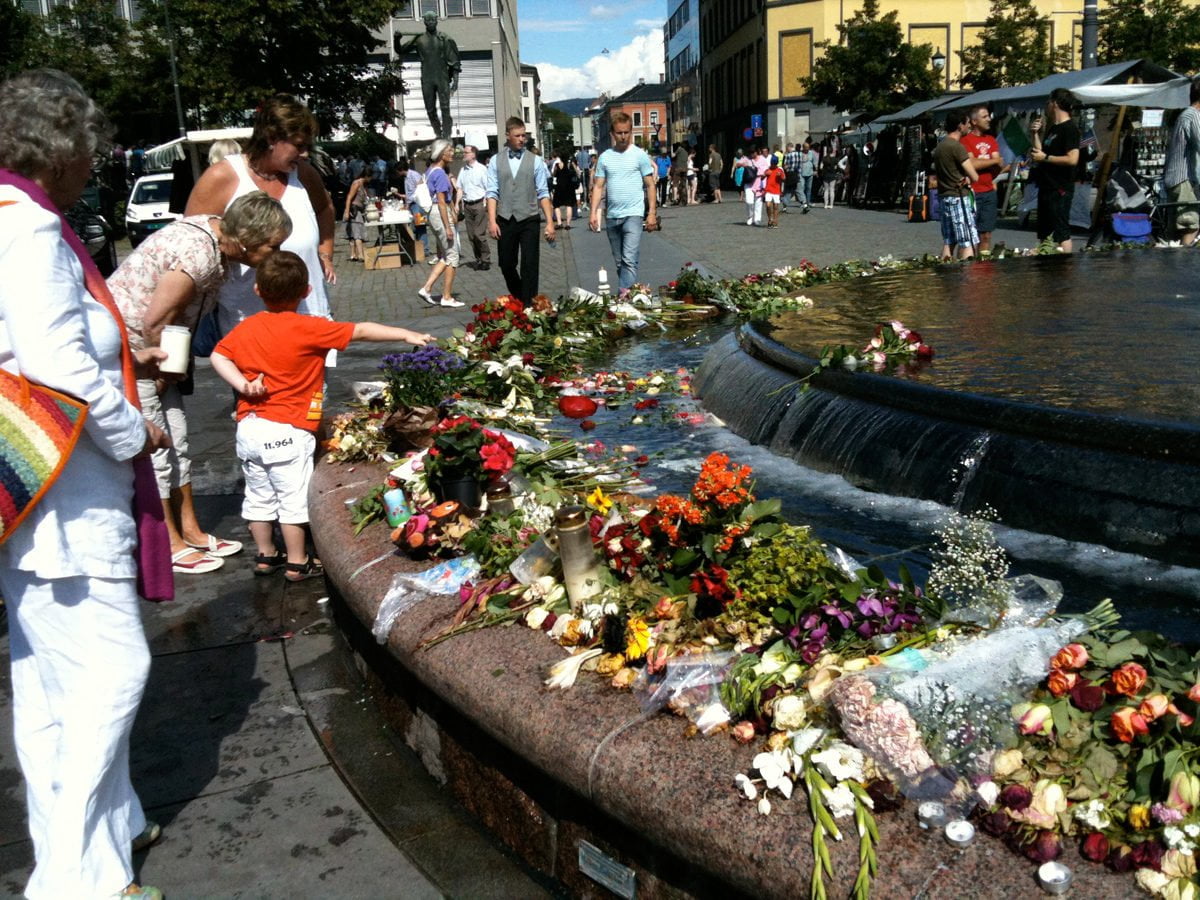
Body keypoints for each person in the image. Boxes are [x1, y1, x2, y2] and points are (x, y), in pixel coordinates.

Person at [0, 68, 171, 900]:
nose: (96, 164)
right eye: (91, 148)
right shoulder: (30, 228)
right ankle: (73, 882)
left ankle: (100, 841)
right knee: (113, 671)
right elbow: (57, 362)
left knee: (50, 683)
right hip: (64, 491)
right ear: (62, 150)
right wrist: (131, 428)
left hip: (27, 495)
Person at [211, 252, 433, 580]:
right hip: (288, 429)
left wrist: (243, 384)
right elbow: (360, 331)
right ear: (306, 291)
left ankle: (265, 555)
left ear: (257, 290)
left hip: (249, 428)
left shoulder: (248, 327)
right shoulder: (310, 328)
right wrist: (404, 333)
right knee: (293, 500)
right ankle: (298, 562)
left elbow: (219, 356)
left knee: (258, 496)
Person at [110, 190, 291, 574]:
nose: (273, 255)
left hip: (158, 350)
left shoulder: (214, 239)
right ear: (246, 240)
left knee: (178, 439)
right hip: (133, 349)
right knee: (156, 445)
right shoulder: (199, 256)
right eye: (271, 246)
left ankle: (189, 529)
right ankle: (166, 542)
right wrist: (161, 372)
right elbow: (154, 320)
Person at [185, 94, 336, 335]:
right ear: (271, 138)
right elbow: (191, 240)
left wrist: (325, 252)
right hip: (249, 322)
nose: (305, 153)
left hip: (308, 316)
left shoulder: (304, 174)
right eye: (299, 145)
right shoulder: (223, 177)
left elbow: (325, 208)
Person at [486, 116, 555, 305]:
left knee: (530, 265)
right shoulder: (495, 161)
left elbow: (543, 193)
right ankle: (521, 297)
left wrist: (549, 221)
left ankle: (529, 306)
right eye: (517, 135)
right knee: (506, 264)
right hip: (506, 218)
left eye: (523, 135)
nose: (521, 139)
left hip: (529, 218)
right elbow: (492, 192)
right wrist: (492, 221)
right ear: (508, 135)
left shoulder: (535, 161)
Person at [589, 111, 657, 295]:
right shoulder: (605, 157)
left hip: (634, 214)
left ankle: (624, 297)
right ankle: (629, 292)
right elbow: (598, 186)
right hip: (612, 215)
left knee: (629, 259)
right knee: (619, 261)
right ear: (612, 133)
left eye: (626, 132)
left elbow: (650, 185)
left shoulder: (639, 155)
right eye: (619, 133)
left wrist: (651, 213)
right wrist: (593, 212)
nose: (623, 136)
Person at [1029, 87, 1081, 253]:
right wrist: (1035, 134)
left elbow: (1073, 158)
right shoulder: (1053, 128)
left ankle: (1065, 269)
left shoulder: (1070, 128)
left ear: (1055, 104)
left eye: (1048, 102)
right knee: (1045, 231)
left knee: (1060, 232)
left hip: (1060, 187)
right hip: (1046, 185)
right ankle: (1047, 265)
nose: (1046, 105)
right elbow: (1041, 153)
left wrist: (1045, 158)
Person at [394, 12, 461, 139]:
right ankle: (438, 134)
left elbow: (455, 63)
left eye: (433, 19)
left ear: (436, 21)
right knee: (430, 109)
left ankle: (447, 135)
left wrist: (455, 83)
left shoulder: (444, 39)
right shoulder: (419, 39)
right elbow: (401, 50)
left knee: (445, 108)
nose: (430, 22)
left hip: (442, 78)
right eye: (428, 20)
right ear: (424, 22)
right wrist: (396, 39)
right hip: (427, 78)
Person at [417, 139, 463, 308]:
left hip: (433, 214)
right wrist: (447, 226)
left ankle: (427, 288)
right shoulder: (440, 174)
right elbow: (442, 201)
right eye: (449, 150)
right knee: (453, 256)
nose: (452, 153)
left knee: (445, 255)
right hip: (439, 213)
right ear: (441, 153)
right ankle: (447, 296)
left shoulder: (429, 171)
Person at [932, 110, 980, 259]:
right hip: (959, 197)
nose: (969, 127)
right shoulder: (957, 147)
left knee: (949, 241)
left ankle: (945, 275)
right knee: (967, 241)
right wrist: (968, 178)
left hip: (944, 197)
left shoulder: (940, 147)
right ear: (960, 126)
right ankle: (966, 278)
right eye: (967, 123)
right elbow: (974, 175)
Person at [961, 104, 1006, 252]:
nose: (989, 119)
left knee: (986, 234)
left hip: (988, 192)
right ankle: (970, 267)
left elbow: (999, 164)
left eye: (989, 116)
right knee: (970, 235)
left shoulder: (991, 140)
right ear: (974, 121)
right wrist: (993, 162)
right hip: (972, 193)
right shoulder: (965, 141)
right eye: (984, 117)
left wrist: (990, 163)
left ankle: (983, 266)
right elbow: (972, 164)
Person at [1163, 76, 1200, 247]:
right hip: (1183, 178)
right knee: (1189, 225)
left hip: (1176, 178)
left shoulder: (1184, 114)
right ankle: (1184, 268)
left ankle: (1174, 269)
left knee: (1176, 232)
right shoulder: (1192, 115)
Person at [457, 144, 491, 269]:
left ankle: (486, 259)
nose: (464, 154)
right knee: (471, 236)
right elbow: (460, 188)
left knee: (479, 234)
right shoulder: (463, 170)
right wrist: (457, 204)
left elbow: (488, 187)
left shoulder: (481, 169)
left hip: (479, 204)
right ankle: (479, 259)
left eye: (466, 152)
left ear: (473, 154)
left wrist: (486, 204)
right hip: (467, 205)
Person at [342, 166, 370, 262]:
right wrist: (347, 211)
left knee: (352, 234)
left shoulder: (363, 185)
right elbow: (349, 197)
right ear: (366, 176)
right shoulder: (357, 183)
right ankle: (361, 255)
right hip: (353, 210)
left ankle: (353, 255)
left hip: (358, 210)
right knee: (357, 234)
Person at [551, 149, 578, 229]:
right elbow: (576, 172)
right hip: (569, 187)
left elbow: (553, 174)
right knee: (569, 205)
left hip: (559, 186)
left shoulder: (557, 165)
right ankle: (568, 224)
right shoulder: (570, 164)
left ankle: (559, 223)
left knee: (556, 205)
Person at [763, 155, 785, 227]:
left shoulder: (779, 170)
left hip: (776, 190)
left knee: (775, 206)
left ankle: (775, 221)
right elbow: (762, 177)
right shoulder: (768, 169)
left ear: (776, 163)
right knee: (768, 205)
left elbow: (784, 178)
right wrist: (765, 174)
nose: (773, 165)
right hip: (768, 190)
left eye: (774, 164)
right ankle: (770, 219)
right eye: (772, 163)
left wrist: (780, 175)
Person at [797, 139, 817, 213]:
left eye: (808, 147)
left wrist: (816, 170)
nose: (807, 149)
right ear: (803, 147)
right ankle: (803, 202)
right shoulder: (800, 154)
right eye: (806, 147)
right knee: (801, 188)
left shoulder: (811, 153)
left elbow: (815, 162)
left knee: (809, 189)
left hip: (810, 173)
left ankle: (807, 203)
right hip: (802, 173)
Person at [782, 142, 800, 209]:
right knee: (793, 190)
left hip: (789, 174)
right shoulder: (798, 154)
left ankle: (784, 201)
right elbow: (799, 165)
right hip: (796, 174)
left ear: (789, 147)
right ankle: (785, 203)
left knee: (787, 190)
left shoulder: (787, 155)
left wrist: (785, 168)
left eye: (787, 148)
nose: (786, 150)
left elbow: (785, 166)